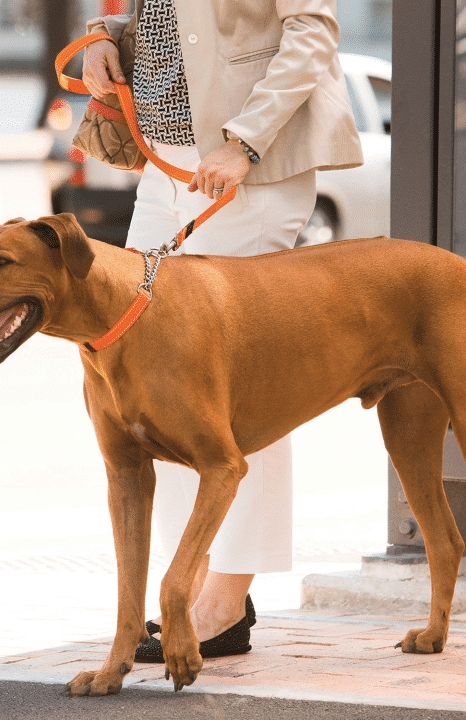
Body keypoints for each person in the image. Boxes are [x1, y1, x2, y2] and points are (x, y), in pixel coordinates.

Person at [82, 0, 363, 661]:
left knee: (239, 382)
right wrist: (101, 36)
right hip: (166, 164)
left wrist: (244, 142)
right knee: (153, 374)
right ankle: (198, 574)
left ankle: (228, 596)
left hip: (244, 166)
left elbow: (314, 28)